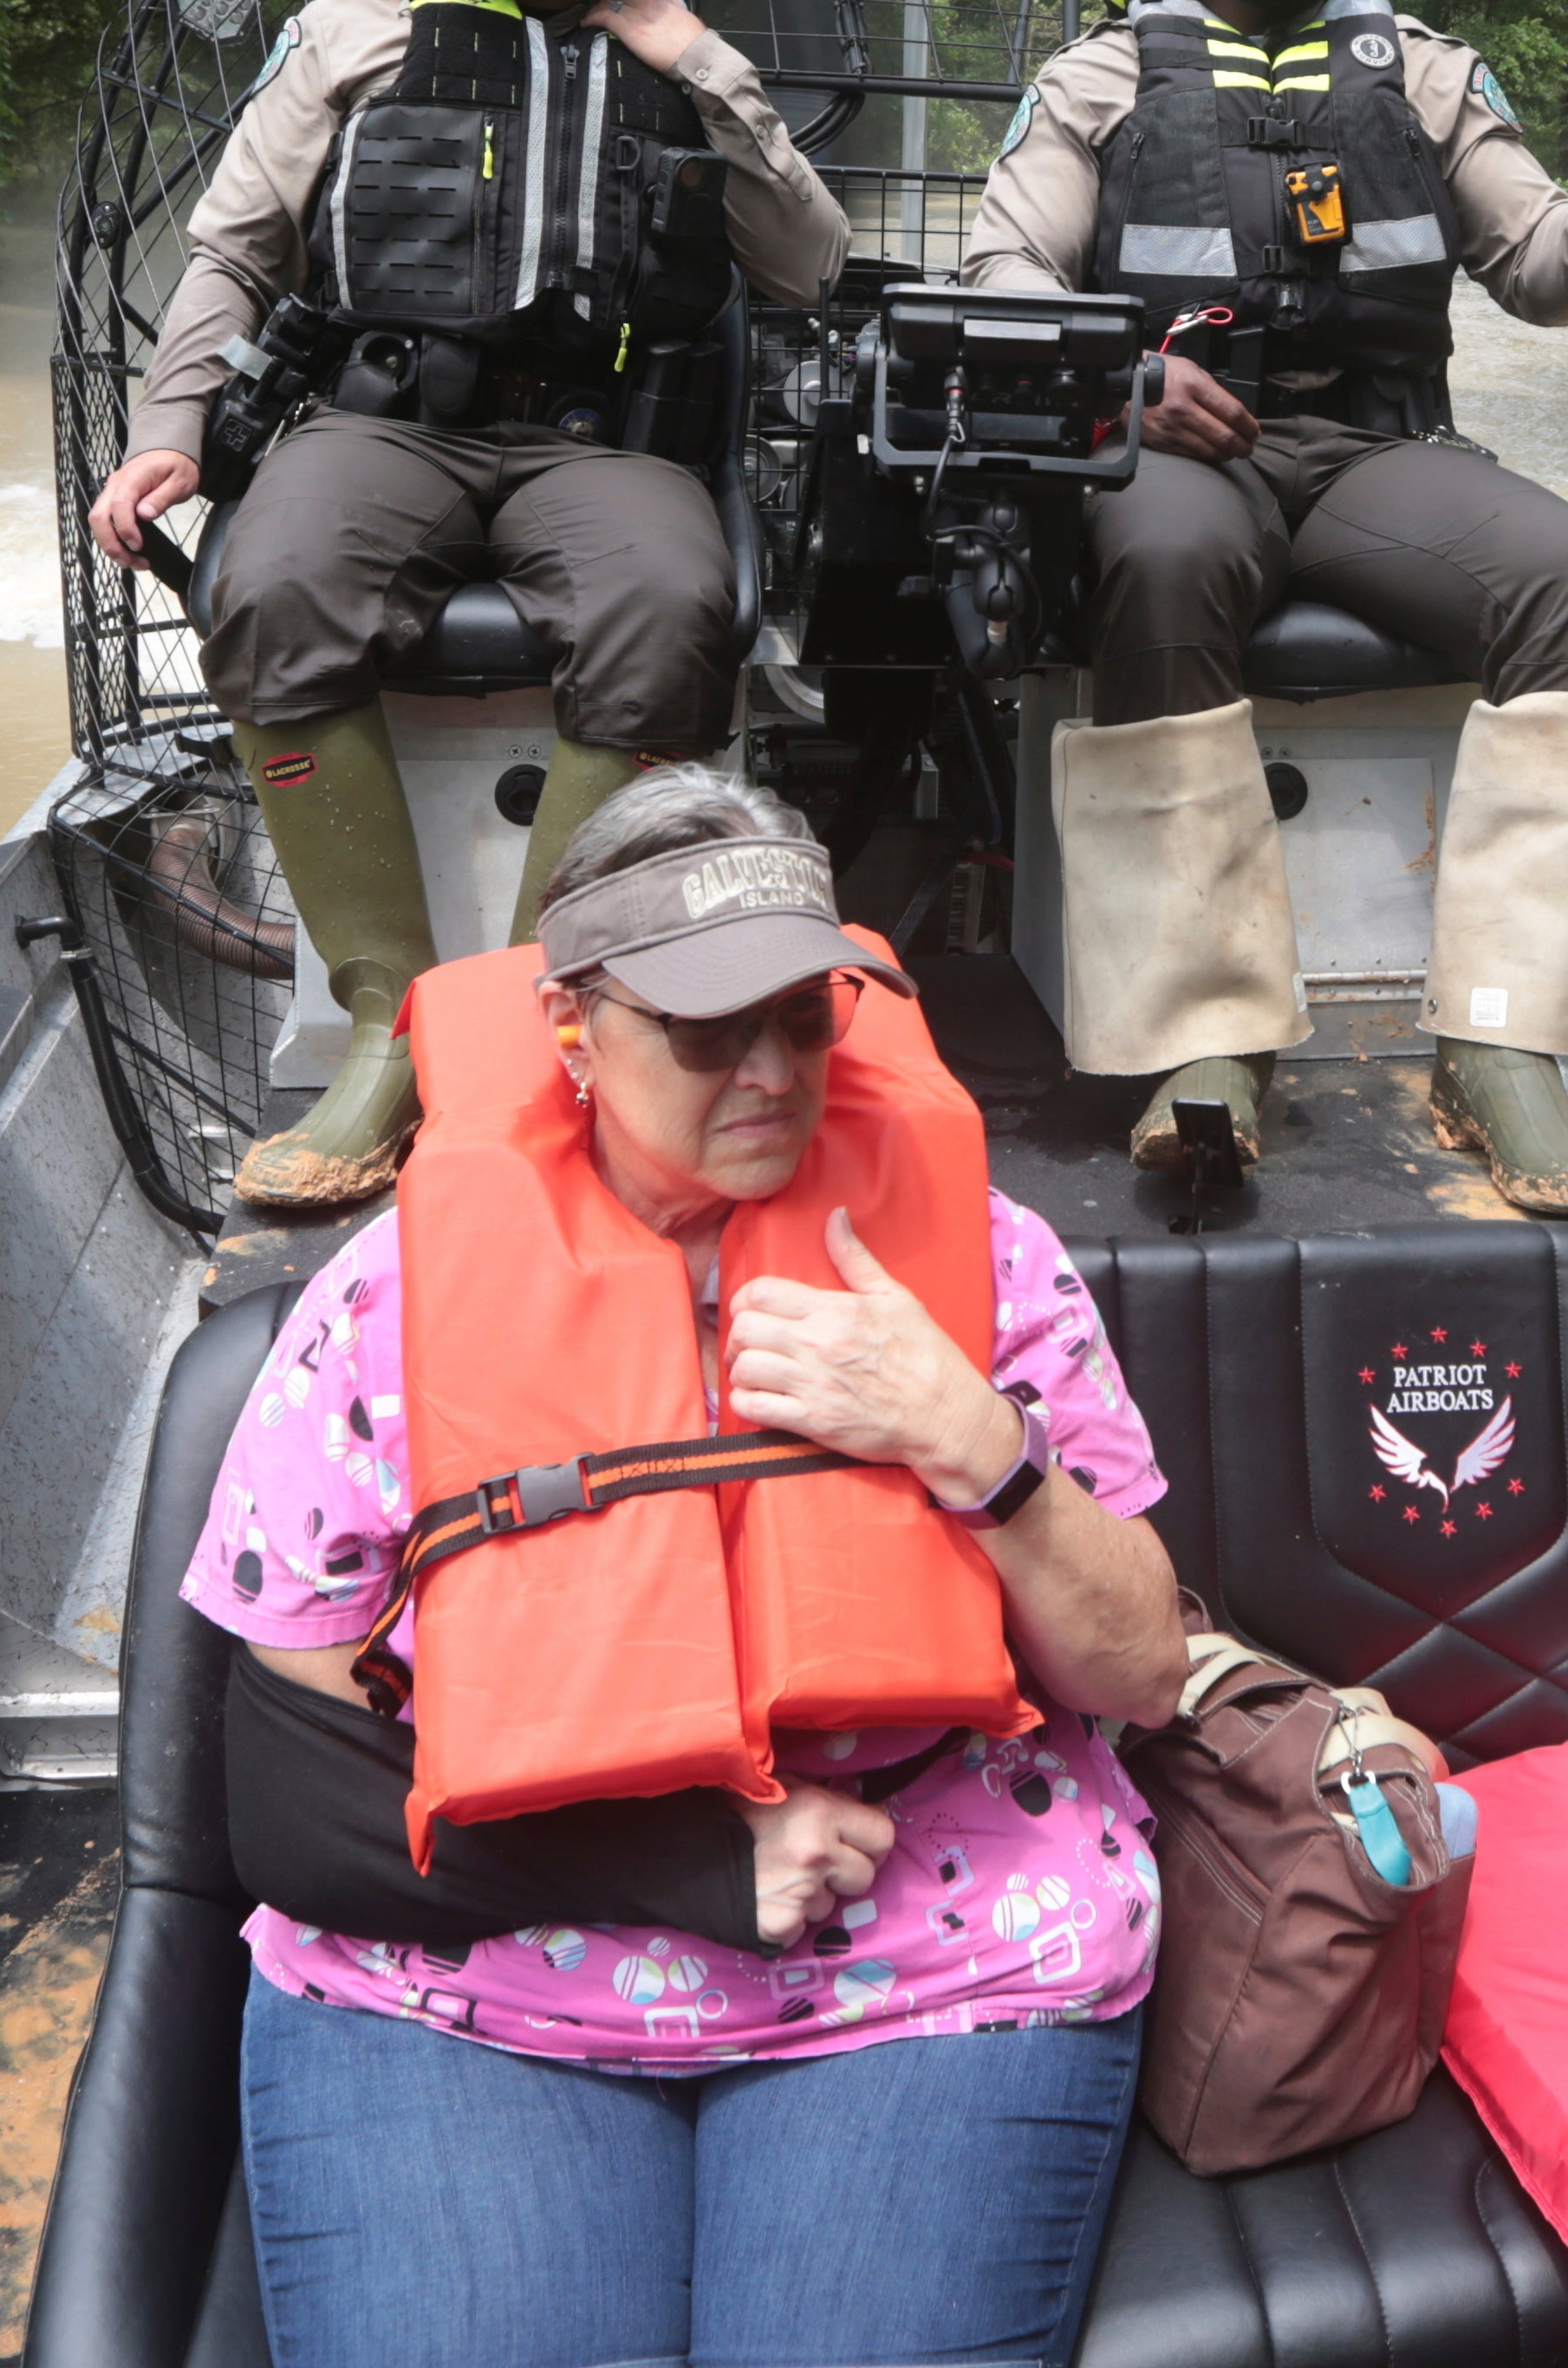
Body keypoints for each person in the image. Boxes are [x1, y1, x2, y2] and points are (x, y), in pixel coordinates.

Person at [182, 768, 1189, 2368]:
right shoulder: (389, 1310)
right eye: (710, 1031)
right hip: (476, 1982)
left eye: (806, 1018)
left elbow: (1137, 1673)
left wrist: (972, 1441)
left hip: (927, 1961)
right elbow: (288, 1788)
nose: (775, 1072)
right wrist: (690, 1872)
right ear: (574, 1028)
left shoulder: (988, 1269)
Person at [85, 0, 845, 1213]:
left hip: (594, 441)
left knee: (674, 609)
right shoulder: (356, 30)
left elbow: (810, 263)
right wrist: (171, 427)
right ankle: (390, 1025)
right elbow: (233, 251)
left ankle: (524, 1014)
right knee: (270, 578)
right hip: (386, 424)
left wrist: (696, 67)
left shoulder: (678, 54)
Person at [960, 0, 1568, 1208]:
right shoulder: (1099, 77)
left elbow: (1541, 265)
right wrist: (1124, 383)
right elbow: (1005, 276)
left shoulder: (1422, 69)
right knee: (1161, 565)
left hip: (1373, 451)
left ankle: (1502, 1052)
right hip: (1184, 447)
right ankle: (1204, 1039)